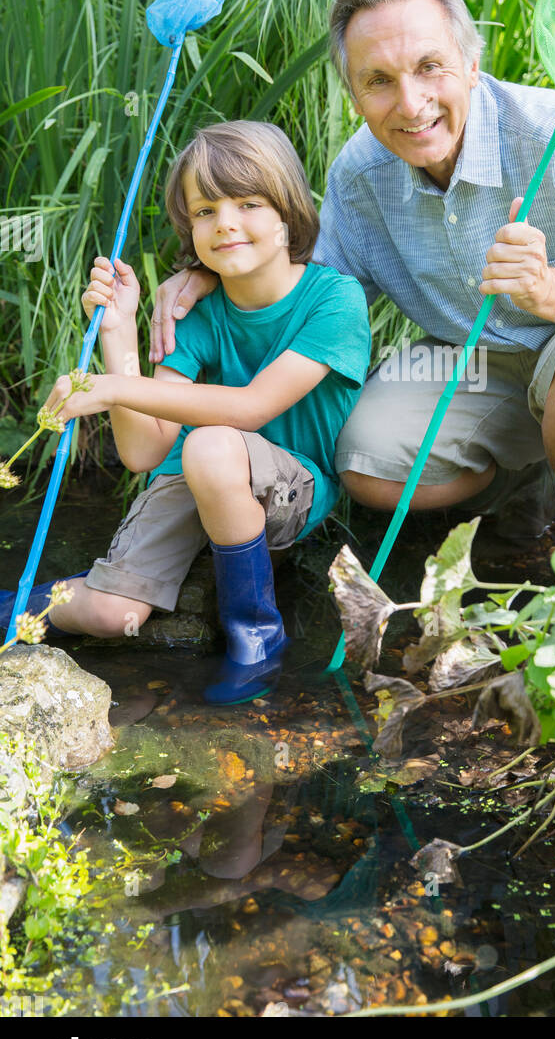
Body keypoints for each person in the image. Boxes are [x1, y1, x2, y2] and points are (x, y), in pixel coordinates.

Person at [148, 0, 555, 537]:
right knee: (368, 464)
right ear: (355, 96)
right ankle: (526, 493)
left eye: (429, 67)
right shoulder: (362, 174)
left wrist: (549, 290)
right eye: (378, 80)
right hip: (482, 362)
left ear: (471, 66)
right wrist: (213, 269)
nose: (410, 102)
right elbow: (310, 292)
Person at [0, 122, 371, 704]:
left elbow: (252, 408)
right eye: (204, 211)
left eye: (248, 203)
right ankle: (9, 612)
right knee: (109, 614)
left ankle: (254, 638)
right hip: (187, 476)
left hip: (286, 487)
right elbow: (145, 451)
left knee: (212, 444)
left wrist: (112, 389)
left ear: (289, 215)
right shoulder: (191, 314)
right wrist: (119, 333)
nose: (224, 221)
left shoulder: (334, 298)